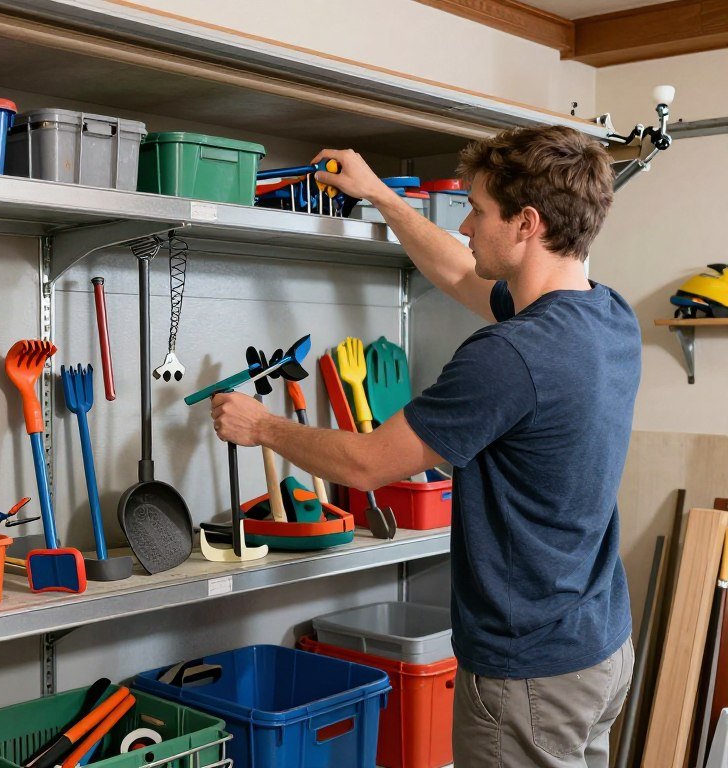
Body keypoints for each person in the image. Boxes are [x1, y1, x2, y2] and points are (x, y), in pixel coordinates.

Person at [208, 126, 637, 767]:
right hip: (598, 650)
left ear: (526, 222)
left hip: (529, 673)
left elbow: (369, 464)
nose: (464, 224)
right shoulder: (606, 316)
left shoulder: (509, 357)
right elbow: (463, 273)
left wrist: (262, 426)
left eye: (479, 209)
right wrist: (381, 194)